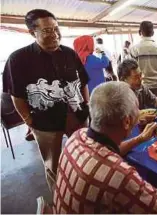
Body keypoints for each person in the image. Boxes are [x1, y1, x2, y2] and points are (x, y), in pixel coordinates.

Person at [52, 81, 157, 213]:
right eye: (138, 110)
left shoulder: (77, 136)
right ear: (127, 121)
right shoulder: (119, 176)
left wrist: (140, 138)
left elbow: (106, 151)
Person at [3, 9, 90, 192]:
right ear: (32, 32)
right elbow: (16, 95)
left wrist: (87, 106)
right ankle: (60, 198)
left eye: (56, 29)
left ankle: (84, 192)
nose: (55, 34)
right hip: (45, 123)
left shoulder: (69, 53)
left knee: (86, 156)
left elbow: (83, 82)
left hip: (78, 116)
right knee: (54, 165)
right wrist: (30, 121)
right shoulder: (18, 59)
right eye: (47, 30)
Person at [130, 21, 157, 97]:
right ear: (153, 33)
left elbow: (131, 71)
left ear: (140, 32)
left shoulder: (134, 49)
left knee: (142, 108)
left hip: (140, 86)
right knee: (156, 107)